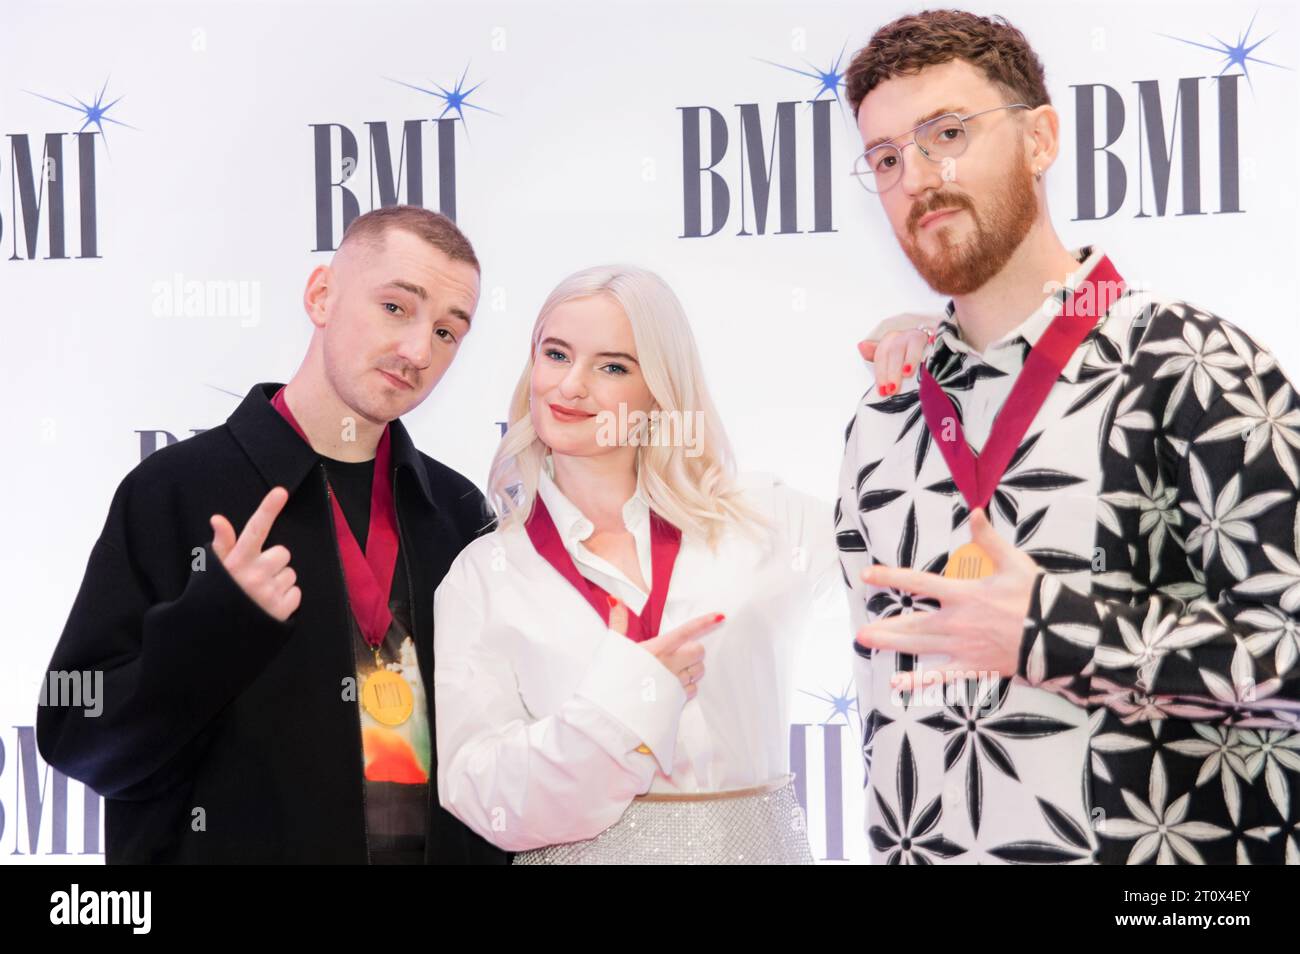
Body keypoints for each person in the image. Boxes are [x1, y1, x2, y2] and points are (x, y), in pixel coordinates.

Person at [838, 10, 1300, 864]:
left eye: (948, 133)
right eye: (888, 157)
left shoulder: (1194, 366)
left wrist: (1051, 631)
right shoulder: (885, 418)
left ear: (1041, 138)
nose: (917, 177)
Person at [37, 205, 507, 864]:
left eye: (448, 331)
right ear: (321, 296)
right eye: (397, 308)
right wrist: (213, 627)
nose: (418, 351)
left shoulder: (457, 512)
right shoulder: (175, 491)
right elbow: (76, 738)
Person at [432, 265, 839, 863]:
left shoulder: (768, 521)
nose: (571, 386)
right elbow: (484, 796)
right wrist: (621, 702)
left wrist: (927, 384)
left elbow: (921, 549)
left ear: (661, 391)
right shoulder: (483, 576)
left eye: (612, 366)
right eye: (556, 354)